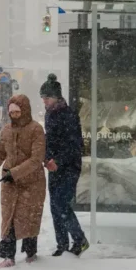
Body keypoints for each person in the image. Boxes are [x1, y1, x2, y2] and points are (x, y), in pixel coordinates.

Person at [0, 95, 47, 268]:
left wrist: (15, 173)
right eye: (11, 112)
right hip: (9, 182)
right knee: (9, 218)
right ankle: (8, 256)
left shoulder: (36, 130)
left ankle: (30, 252)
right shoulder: (6, 130)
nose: (14, 115)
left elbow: (37, 159)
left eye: (18, 111)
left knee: (29, 218)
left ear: (25, 110)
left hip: (32, 182)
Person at [40, 73, 89, 257]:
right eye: (43, 98)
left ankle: (79, 240)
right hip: (54, 167)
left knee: (61, 204)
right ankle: (62, 245)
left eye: (46, 98)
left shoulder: (68, 115)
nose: (44, 101)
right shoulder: (49, 114)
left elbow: (73, 145)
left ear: (56, 97)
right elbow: (49, 141)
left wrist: (58, 161)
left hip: (69, 167)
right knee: (54, 206)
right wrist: (47, 158)